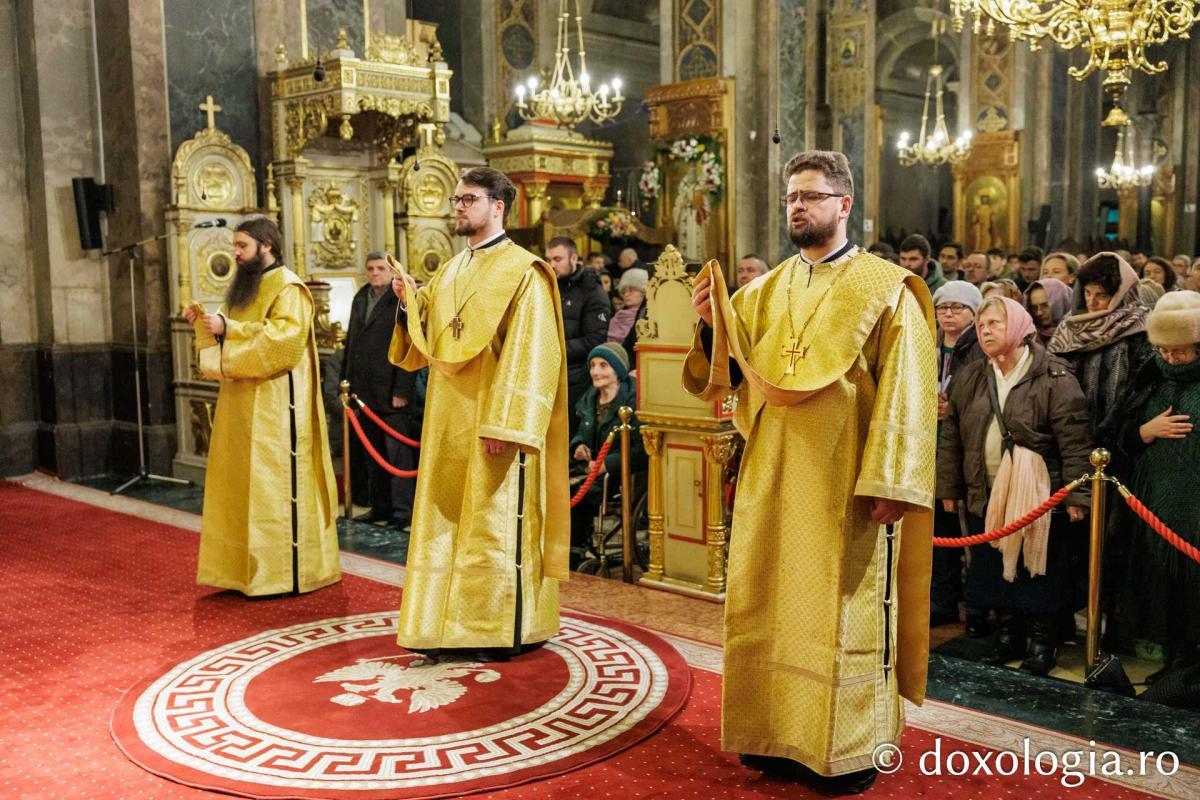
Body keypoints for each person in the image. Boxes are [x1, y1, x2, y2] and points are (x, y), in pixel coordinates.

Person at [685, 149, 936, 794]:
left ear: (844, 204)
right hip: (772, 473)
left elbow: (906, 390)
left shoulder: (887, 289)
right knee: (766, 599)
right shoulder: (762, 291)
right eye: (793, 196)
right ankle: (771, 734)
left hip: (842, 481)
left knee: (838, 610)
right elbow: (729, 376)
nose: (799, 206)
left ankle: (846, 749)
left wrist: (891, 481)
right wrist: (713, 326)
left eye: (812, 196)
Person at [387, 166, 570, 659]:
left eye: (469, 198)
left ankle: (496, 628)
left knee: (491, 523)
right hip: (447, 420)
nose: (459, 206)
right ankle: (446, 623)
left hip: (494, 421)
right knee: (448, 522)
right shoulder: (450, 270)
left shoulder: (525, 272)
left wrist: (506, 424)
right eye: (457, 199)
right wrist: (409, 304)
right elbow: (428, 341)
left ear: (498, 206)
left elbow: (533, 352)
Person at [187, 216, 340, 596]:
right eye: (235, 246)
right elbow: (229, 330)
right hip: (241, 403)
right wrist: (207, 325)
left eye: (242, 246)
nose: (236, 253)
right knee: (241, 486)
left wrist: (229, 330)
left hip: (277, 407)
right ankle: (243, 572)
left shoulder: (289, 288)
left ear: (266, 245)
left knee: (272, 488)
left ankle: (282, 574)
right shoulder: (244, 287)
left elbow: (283, 344)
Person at [938, 297, 1091, 675]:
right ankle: (1008, 636)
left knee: (1039, 571)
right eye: (982, 325)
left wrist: (1077, 493)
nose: (986, 331)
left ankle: (1042, 642)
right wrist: (949, 487)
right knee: (994, 567)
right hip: (985, 488)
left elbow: (1074, 439)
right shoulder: (972, 375)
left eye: (995, 323)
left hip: (1039, 493)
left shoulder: (1054, 376)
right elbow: (952, 436)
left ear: (1020, 328)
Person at [1116, 291, 1200, 688]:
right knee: (1165, 589)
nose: (1170, 358)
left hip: (1195, 512)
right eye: (1164, 350)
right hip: (1155, 506)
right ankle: (1175, 661)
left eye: (1179, 351)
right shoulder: (1149, 376)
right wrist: (1145, 432)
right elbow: (1119, 439)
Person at [1048, 253, 1157, 459]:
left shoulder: (1141, 329)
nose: (1092, 302)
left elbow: (1141, 390)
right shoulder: (1069, 327)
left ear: (1121, 295)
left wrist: (1113, 431)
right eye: (1087, 293)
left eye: (1102, 296)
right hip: (1069, 440)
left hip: (1123, 443)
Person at [341, 252, 420, 528]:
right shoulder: (360, 297)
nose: (374, 273)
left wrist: (403, 390)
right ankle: (380, 507)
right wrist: (346, 383)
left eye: (379, 269)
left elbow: (411, 343)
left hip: (392, 392)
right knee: (372, 454)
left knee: (397, 455)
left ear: (391, 272)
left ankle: (402, 511)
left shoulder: (401, 298)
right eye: (370, 269)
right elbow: (351, 342)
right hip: (363, 392)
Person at [930, 281, 985, 630]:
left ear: (974, 313)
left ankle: (977, 606)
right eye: (942, 308)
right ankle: (942, 600)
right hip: (932, 446)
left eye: (957, 307)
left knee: (968, 529)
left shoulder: (979, 348)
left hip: (966, 446)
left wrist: (953, 407)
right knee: (938, 529)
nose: (948, 314)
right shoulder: (928, 344)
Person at [568, 342, 646, 558]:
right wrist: (579, 446)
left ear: (618, 370)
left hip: (617, 475)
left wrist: (606, 464)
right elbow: (581, 432)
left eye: (603, 366)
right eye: (593, 365)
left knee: (579, 495)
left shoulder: (633, 403)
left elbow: (641, 452)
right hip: (587, 468)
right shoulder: (589, 398)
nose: (595, 371)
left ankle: (576, 549)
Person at [546, 236, 611, 437]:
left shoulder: (592, 291)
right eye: (548, 259)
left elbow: (595, 339)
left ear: (573, 258)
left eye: (557, 259)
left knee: (566, 437)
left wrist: (554, 349)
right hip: (547, 374)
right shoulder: (547, 286)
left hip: (576, 378)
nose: (551, 265)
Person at [1023, 278, 1073, 346]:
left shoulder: (1080, 331)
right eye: (1034, 308)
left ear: (1061, 302)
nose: (1039, 312)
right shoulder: (1029, 338)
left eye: (1045, 306)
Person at [607, 267, 648, 344]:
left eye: (631, 290)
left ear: (643, 291)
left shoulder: (647, 317)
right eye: (624, 291)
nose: (626, 294)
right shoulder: (617, 317)